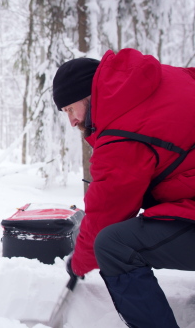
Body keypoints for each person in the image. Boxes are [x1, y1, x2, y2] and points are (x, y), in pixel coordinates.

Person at [52, 48, 195, 327]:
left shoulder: (123, 129)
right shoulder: (152, 85)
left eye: (70, 108)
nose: (71, 120)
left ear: (88, 95)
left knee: (112, 245)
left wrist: (78, 262)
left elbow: (109, 210)